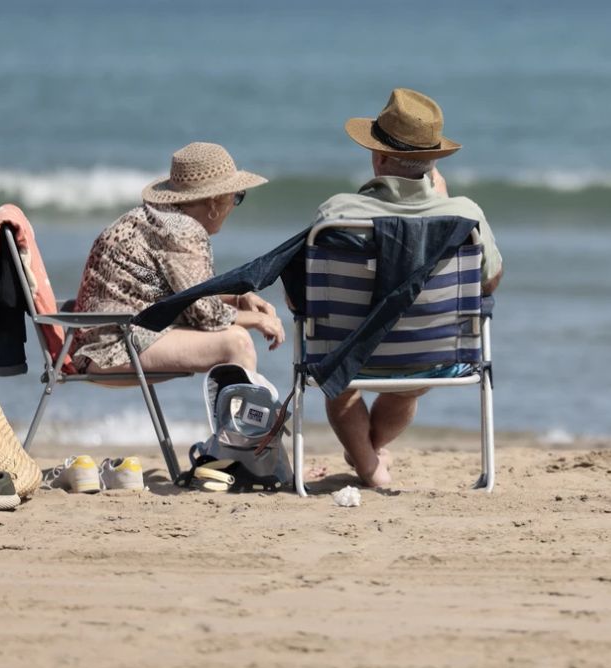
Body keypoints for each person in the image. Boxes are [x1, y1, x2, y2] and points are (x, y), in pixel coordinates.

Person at [312, 88, 503, 487]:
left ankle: (368, 465)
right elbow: (489, 281)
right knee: (407, 386)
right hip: (432, 357)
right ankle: (369, 458)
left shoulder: (337, 213)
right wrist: (443, 205)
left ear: (378, 157)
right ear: (432, 162)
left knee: (339, 383)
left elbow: (307, 292)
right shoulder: (463, 215)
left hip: (346, 357)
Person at [70, 142, 285, 376]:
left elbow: (181, 293)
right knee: (237, 343)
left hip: (94, 343)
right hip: (111, 349)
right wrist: (257, 320)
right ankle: (241, 414)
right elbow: (207, 316)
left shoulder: (156, 218)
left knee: (235, 337)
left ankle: (239, 411)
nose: (234, 206)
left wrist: (236, 298)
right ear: (214, 202)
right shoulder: (182, 230)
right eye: (236, 197)